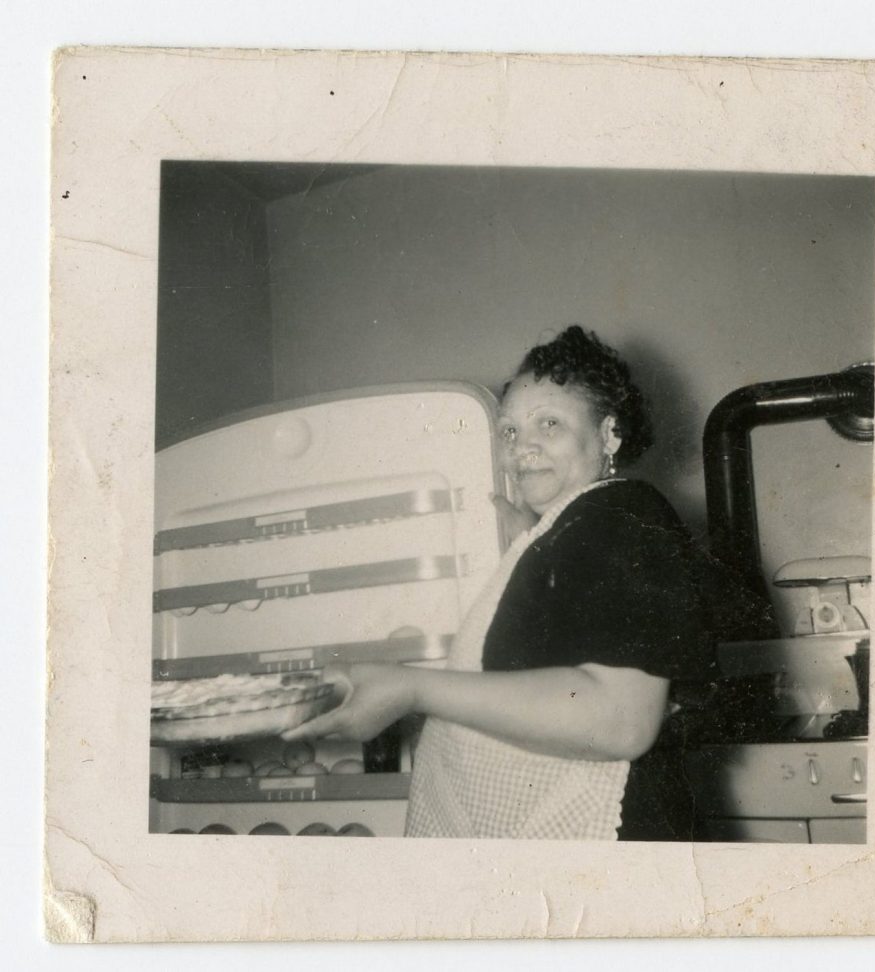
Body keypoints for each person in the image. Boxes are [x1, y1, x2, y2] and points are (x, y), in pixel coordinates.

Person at [283, 326, 728, 840]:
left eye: (550, 424)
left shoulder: (620, 514)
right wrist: (538, 547)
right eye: (511, 431)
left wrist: (411, 689)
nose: (522, 448)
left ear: (609, 434)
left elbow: (620, 720)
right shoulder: (577, 526)